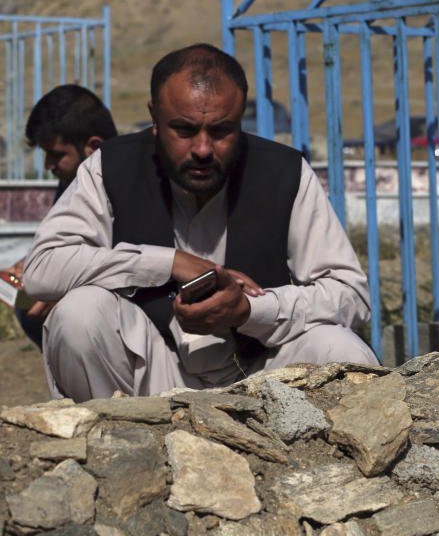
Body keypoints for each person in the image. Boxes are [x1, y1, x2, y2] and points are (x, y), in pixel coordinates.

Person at [23, 43, 377, 402]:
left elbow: (351, 294)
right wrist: (168, 263)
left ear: (240, 120)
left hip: (261, 376)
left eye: (221, 130)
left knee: (339, 348)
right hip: (152, 373)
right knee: (78, 315)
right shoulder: (111, 166)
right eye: (184, 129)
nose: (203, 149)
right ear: (155, 118)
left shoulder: (283, 172)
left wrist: (251, 310)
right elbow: (42, 269)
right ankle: (115, 447)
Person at [4, 85, 118, 347]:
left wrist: (68, 288)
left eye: (56, 155)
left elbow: (130, 263)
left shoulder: (129, 186)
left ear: (94, 147)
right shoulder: (71, 180)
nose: (48, 166)